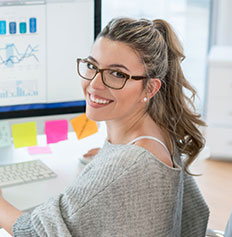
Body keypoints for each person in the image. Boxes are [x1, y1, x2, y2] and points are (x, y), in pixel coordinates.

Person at [0, 17, 209, 236]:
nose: (94, 84)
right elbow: (196, 215)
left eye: (117, 74)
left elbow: (34, 232)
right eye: (92, 66)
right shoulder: (158, 133)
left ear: (150, 88)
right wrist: (109, 161)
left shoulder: (128, 165)